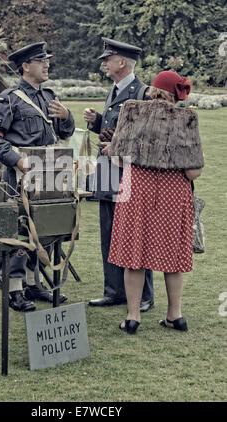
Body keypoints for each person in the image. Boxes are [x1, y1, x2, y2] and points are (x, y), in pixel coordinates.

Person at [108, 70, 204, 334]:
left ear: (153, 89)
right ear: (177, 93)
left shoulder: (131, 110)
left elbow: (116, 159)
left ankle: (133, 317)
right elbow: (193, 172)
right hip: (174, 194)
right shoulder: (188, 118)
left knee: (134, 254)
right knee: (172, 255)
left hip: (137, 189)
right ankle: (175, 315)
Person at [0, 41, 75, 312]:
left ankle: (34, 284)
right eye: (40, 60)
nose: (47, 64)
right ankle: (14, 290)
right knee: (21, 234)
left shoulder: (48, 96)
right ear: (25, 66)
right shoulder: (8, 99)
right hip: (19, 178)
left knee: (45, 231)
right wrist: (18, 160)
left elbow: (65, 132)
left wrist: (67, 116)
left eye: (47, 59)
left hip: (49, 175)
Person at [84, 37, 154, 310]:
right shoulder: (113, 90)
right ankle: (114, 291)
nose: (103, 63)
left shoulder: (143, 93)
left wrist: (116, 145)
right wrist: (97, 124)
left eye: (107, 59)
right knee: (109, 232)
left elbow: (147, 137)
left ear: (122, 62)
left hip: (130, 174)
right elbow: (116, 130)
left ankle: (145, 296)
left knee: (136, 235)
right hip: (107, 173)